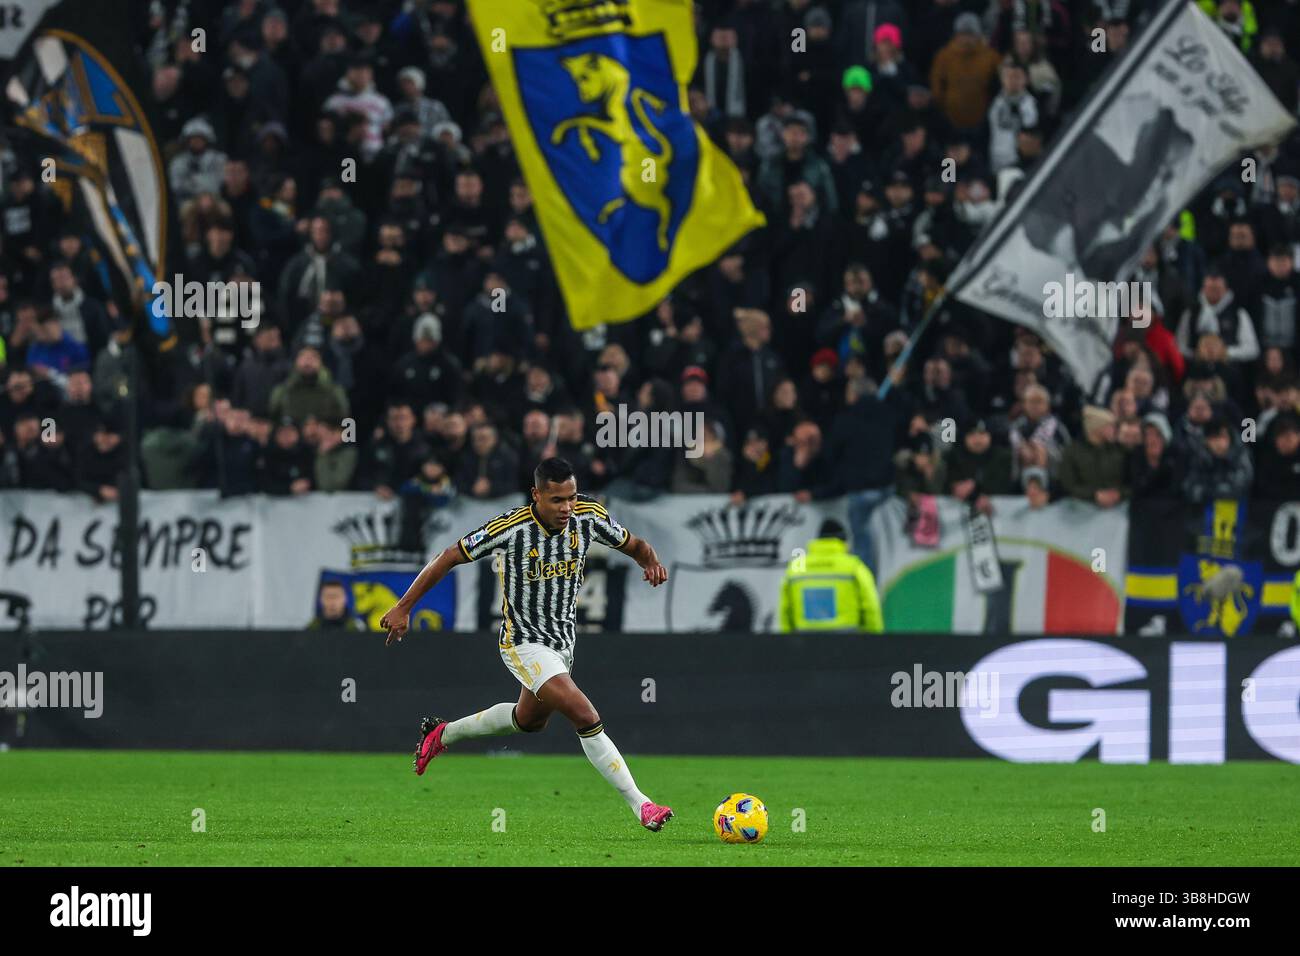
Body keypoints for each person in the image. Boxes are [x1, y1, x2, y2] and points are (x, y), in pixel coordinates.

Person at [380, 457, 676, 833]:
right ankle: (642, 805)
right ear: (536, 495)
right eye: (556, 500)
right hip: (523, 642)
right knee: (584, 714)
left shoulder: (589, 516)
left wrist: (649, 561)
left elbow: (634, 544)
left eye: (570, 497)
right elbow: (449, 555)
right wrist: (404, 606)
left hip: (562, 643)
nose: (566, 507)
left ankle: (442, 734)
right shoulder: (510, 527)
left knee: (528, 722)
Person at [777, 519, 883, 633]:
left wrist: (788, 642)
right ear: (844, 542)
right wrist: (873, 641)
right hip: (847, 644)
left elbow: (785, 611)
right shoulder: (853, 567)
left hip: (805, 644)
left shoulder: (796, 568)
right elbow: (870, 606)